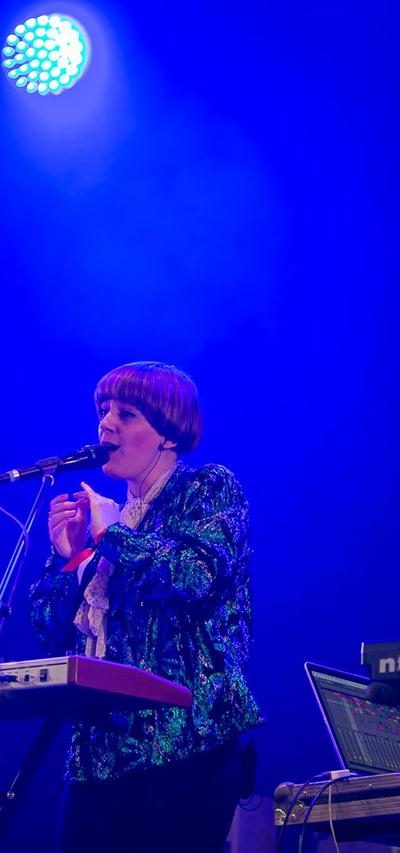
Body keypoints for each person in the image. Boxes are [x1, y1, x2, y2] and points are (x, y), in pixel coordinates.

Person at [30, 361, 262, 853]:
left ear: (169, 435)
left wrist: (112, 535)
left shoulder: (207, 488)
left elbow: (194, 577)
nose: (106, 424)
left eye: (127, 414)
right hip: (98, 755)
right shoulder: (114, 519)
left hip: (183, 749)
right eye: (104, 411)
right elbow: (48, 630)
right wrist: (67, 558)